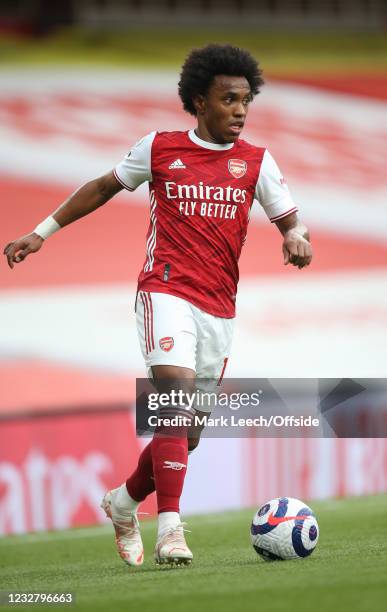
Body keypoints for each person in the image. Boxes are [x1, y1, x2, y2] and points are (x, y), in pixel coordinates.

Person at [3, 44, 312, 567]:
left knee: (187, 436)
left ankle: (122, 503)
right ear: (199, 102)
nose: (240, 110)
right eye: (229, 99)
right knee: (174, 397)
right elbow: (103, 187)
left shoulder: (257, 162)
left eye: (246, 101)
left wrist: (297, 238)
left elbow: (291, 221)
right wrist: (41, 233)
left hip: (219, 309)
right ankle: (171, 528)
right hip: (164, 291)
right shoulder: (160, 148)